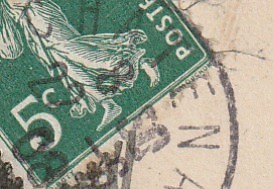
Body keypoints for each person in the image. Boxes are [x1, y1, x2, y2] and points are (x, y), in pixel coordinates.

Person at [0, 0, 159, 131]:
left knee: (75, 51)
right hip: (30, 27)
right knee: (65, 67)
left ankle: (137, 59)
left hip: (40, 14)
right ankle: (107, 103)